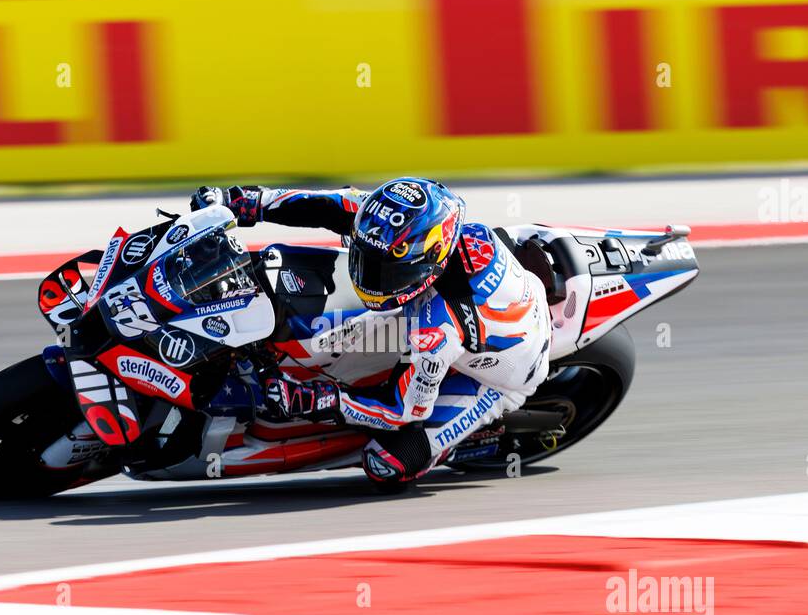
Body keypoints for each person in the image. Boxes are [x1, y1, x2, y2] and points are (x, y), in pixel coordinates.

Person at [190, 178, 552, 489]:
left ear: (429, 263)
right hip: (484, 313)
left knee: (385, 463)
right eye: (366, 259)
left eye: (384, 271)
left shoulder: (438, 326)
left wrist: (322, 400)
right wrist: (245, 202)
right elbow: (322, 205)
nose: (368, 276)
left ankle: (471, 437)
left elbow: (403, 410)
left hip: (498, 380)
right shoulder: (392, 224)